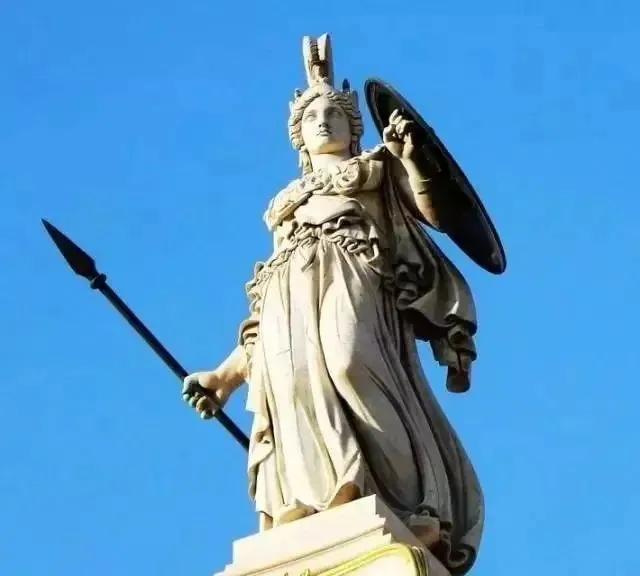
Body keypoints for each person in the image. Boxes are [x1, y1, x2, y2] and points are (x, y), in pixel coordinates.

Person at [183, 35, 483, 575]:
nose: (323, 122)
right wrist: (224, 377)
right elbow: (260, 323)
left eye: (334, 114)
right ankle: (314, 496)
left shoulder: (373, 169)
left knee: (351, 364)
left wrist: (412, 159)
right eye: (311, 117)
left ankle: (413, 506)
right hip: (288, 290)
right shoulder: (285, 204)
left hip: (353, 270)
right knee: (292, 379)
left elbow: (433, 212)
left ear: (354, 126)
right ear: (297, 136)